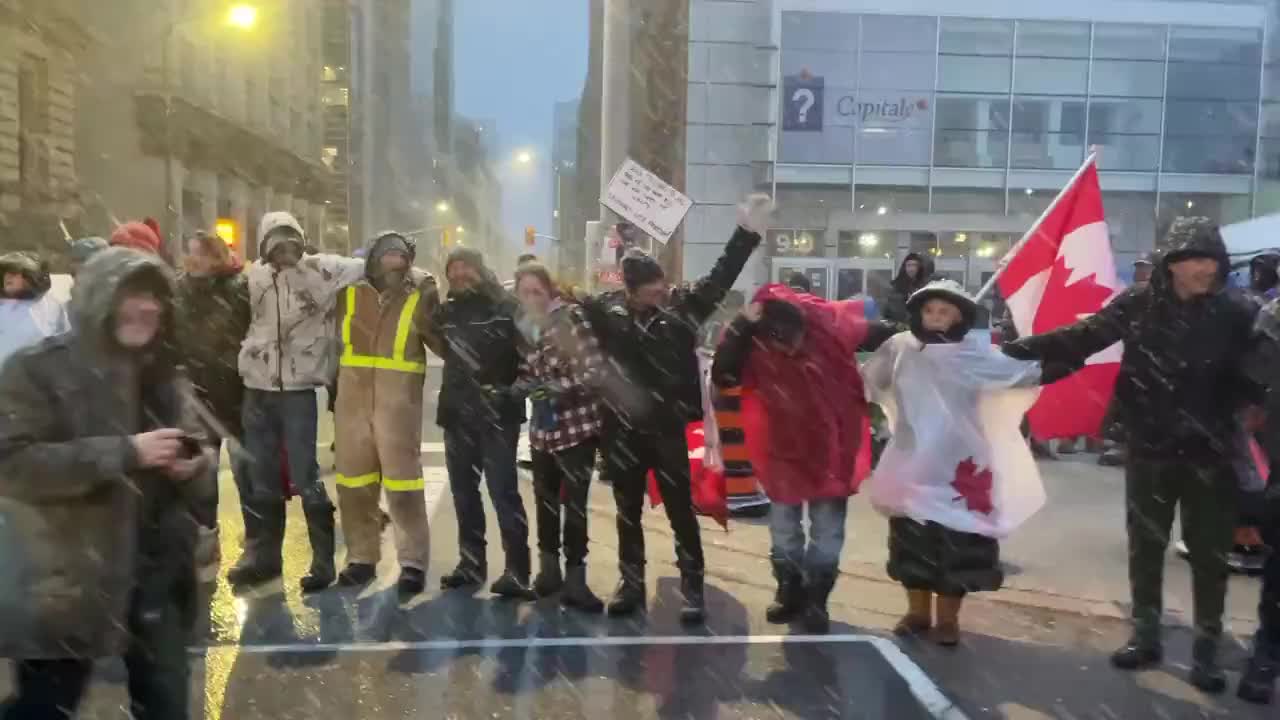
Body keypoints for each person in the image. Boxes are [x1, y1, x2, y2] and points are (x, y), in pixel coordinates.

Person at [1004, 217, 1260, 693]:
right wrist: (1018, 350)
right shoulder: (1139, 303)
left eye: (1213, 259)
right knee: (1145, 547)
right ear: (1173, 264)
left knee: (1209, 557)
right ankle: (1146, 636)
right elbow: (1084, 337)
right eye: (1196, 259)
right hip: (1149, 448)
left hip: (1212, 453)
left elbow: (1263, 372)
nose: (1207, 269)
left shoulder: (1238, 311)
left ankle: (1206, 651)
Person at [0, 247, 212, 719]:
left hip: (155, 579)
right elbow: (11, 464)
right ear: (99, 298)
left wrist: (194, 466)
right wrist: (125, 451)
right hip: (66, 581)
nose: (149, 307)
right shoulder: (36, 370)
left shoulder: (165, 372)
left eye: (157, 297)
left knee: (165, 709)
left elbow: (200, 448)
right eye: (132, 294)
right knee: (43, 709)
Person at [579, 194, 771, 623]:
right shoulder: (605, 313)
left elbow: (722, 276)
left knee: (682, 510)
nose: (662, 289)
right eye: (652, 286)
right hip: (622, 429)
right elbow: (560, 311)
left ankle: (692, 588)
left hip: (666, 428)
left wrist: (747, 233)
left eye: (662, 282)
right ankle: (630, 584)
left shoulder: (684, 308)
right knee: (627, 511)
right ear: (630, 289)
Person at [864, 280, 1059, 647]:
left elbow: (1019, 374)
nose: (936, 318)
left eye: (945, 312)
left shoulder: (976, 353)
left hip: (961, 463)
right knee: (912, 543)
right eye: (929, 311)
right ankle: (917, 611)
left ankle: (949, 619)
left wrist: (1069, 351)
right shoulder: (901, 348)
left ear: (959, 317)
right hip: (913, 459)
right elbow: (871, 380)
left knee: (958, 544)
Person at [711, 284, 894, 632]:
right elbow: (724, 374)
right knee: (784, 532)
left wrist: (925, 327)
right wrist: (739, 326)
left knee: (826, 534)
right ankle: (788, 590)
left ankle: (816, 600)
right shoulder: (751, 339)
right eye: (779, 344)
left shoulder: (829, 327)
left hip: (831, 447)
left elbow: (883, 334)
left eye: (791, 340)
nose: (788, 350)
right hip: (782, 448)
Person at [230, 211, 368, 592]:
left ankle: (322, 562)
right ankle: (266, 559)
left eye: (292, 240)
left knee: (307, 475)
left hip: (297, 392)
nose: (285, 250)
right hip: (256, 388)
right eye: (277, 242)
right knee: (261, 478)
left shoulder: (323, 269)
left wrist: (401, 259)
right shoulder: (253, 276)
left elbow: (372, 264)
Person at [332, 232, 441, 597]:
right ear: (375, 258)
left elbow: (441, 338)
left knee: (403, 484)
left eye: (402, 256)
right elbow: (333, 340)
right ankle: (361, 558)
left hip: (397, 405)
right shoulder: (348, 289)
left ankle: (412, 563)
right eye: (388, 256)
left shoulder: (421, 290)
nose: (396, 263)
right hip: (352, 400)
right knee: (353, 483)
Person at [436, 247, 533, 599]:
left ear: (481, 269)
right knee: (464, 494)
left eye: (466, 267)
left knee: (503, 493)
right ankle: (471, 564)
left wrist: (511, 392)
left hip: (498, 416)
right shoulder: (445, 312)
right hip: (456, 413)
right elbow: (440, 348)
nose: (460, 274)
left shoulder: (507, 308)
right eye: (454, 268)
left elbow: (531, 358)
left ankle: (518, 571)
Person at [513, 262, 607, 612]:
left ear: (550, 290)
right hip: (542, 432)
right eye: (525, 292)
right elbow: (526, 371)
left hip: (576, 429)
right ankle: (548, 574)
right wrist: (518, 389)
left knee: (575, 508)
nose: (531, 298)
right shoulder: (526, 327)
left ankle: (576, 581)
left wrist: (556, 389)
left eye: (537, 291)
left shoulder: (570, 319)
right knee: (546, 503)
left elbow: (595, 370)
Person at [175, 231, 251, 582]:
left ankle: (255, 545)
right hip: (196, 397)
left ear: (217, 257)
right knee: (201, 480)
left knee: (246, 476)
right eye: (190, 253)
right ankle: (205, 547)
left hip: (237, 394)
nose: (194, 261)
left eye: (200, 254)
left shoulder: (240, 288)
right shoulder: (180, 290)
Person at [1097, 253, 1158, 468]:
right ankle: (1122, 442)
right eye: (1139, 267)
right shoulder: (1132, 294)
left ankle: (1131, 445)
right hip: (1136, 359)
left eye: (1145, 267)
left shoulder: (1157, 295)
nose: (1140, 272)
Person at [0, 252, 69, 370]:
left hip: (39, 375)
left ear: (31, 277)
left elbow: (65, 339)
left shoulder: (51, 303)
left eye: (14, 273)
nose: (8, 277)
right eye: (5, 273)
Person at [882, 252, 933, 328]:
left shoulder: (927, 286)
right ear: (904, 267)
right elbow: (887, 311)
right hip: (899, 328)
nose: (911, 269)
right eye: (909, 265)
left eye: (915, 265)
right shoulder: (896, 287)